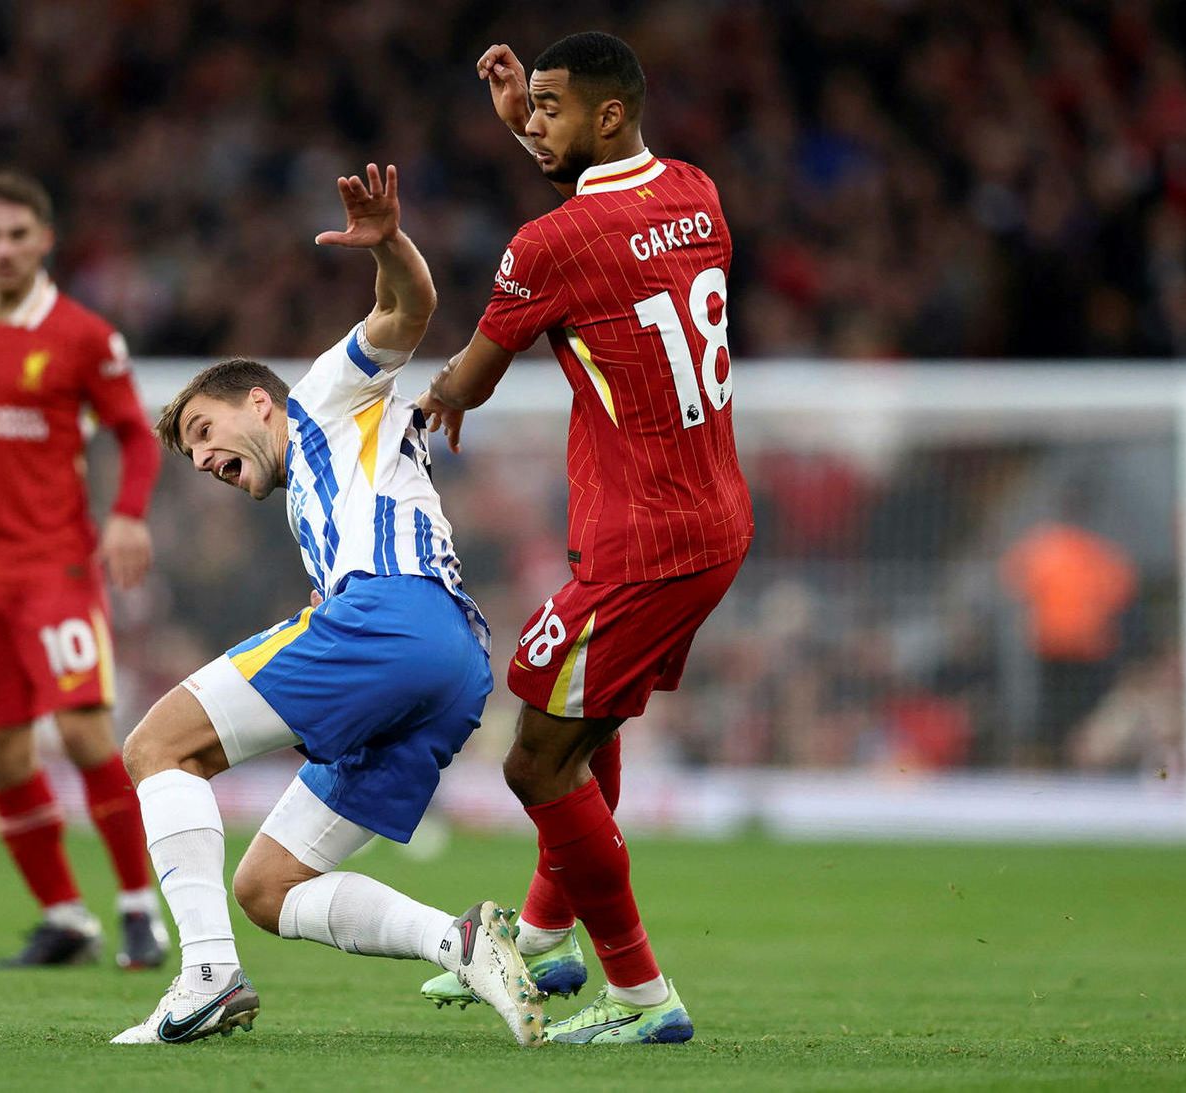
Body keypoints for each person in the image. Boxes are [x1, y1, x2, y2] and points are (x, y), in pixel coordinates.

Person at [109, 164, 545, 1047]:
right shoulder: (317, 497)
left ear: (257, 403)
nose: (202, 461)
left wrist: (386, 240)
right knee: (267, 886)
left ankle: (205, 974)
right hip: (455, 666)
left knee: (157, 744)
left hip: (393, 619)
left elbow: (407, 312)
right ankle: (459, 940)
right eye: (192, 456)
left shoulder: (318, 399)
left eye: (203, 432)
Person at [415, 33, 754, 1045]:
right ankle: (548, 937)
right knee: (583, 727)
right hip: (708, 516)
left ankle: (643, 995)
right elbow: (608, 210)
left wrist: (425, 403)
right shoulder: (695, 192)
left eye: (549, 108)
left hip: (644, 539)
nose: (531, 124)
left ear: (605, 117)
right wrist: (531, 113)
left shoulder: (547, 243)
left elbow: (470, 378)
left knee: (533, 759)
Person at [0, 171, 170, 970]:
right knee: (1, 756)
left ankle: (136, 910)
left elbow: (137, 434)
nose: (5, 249)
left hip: (55, 565)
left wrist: (126, 515)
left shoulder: (84, 334)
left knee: (86, 730)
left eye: (20, 235)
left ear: (46, 240)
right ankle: (65, 917)